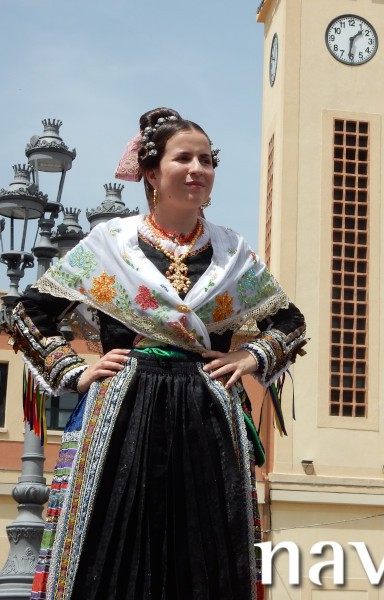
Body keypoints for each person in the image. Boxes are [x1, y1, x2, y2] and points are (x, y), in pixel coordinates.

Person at [10, 107, 306, 600]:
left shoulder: (233, 253)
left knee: (208, 548)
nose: (198, 169)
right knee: (110, 541)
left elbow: (290, 322)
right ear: (151, 172)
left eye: (207, 160)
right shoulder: (111, 244)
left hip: (208, 411)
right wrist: (74, 370)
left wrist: (250, 357)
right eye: (183, 158)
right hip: (123, 408)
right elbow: (27, 312)